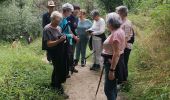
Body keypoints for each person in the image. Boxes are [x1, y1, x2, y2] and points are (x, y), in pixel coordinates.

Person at [42, 11, 69, 99]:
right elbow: (49, 44)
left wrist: (63, 38)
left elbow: (59, 37)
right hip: (53, 52)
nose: (59, 22)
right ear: (52, 19)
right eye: (57, 20)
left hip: (60, 51)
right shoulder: (47, 29)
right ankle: (58, 88)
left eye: (60, 21)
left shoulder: (58, 28)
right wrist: (59, 41)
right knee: (58, 69)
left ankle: (53, 84)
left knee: (58, 67)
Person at [102, 12, 126, 100]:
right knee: (112, 87)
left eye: (107, 22)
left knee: (108, 89)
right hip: (112, 61)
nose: (106, 23)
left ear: (110, 23)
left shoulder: (116, 34)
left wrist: (112, 70)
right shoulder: (118, 31)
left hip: (112, 63)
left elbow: (117, 53)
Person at [59, 3, 78, 77]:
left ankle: (66, 72)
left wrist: (74, 37)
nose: (71, 13)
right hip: (63, 42)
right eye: (70, 11)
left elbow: (69, 30)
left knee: (67, 58)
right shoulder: (60, 19)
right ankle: (62, 74)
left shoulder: (65, 19)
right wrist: (70, 36)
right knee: (63, 59)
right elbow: (59, 33)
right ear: (66, 11)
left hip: (68, 42)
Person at [116, 6, 133, 81]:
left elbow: (126, 38)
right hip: (121, 45)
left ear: (122, 13)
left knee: (124, 63)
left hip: (126, 46)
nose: (117, 13)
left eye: (118, 12)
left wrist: (121, 49)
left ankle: (123, 80)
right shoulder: (120, 21)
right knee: (120, 63)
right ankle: (120, 79)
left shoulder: (127, 23)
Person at [66, 4, 80, 71]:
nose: (77, 12)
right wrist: (74, 37)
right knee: (69, 52)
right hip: (69, 37)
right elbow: (69, 29)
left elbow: (75, 29)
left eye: (78, 11)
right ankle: (68, 67)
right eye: (75, 11)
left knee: (72, 52)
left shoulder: (77, 18)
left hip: (74, 37)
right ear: (72, 10)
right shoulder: (69, 17)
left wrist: (77, 36)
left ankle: (71, 67)